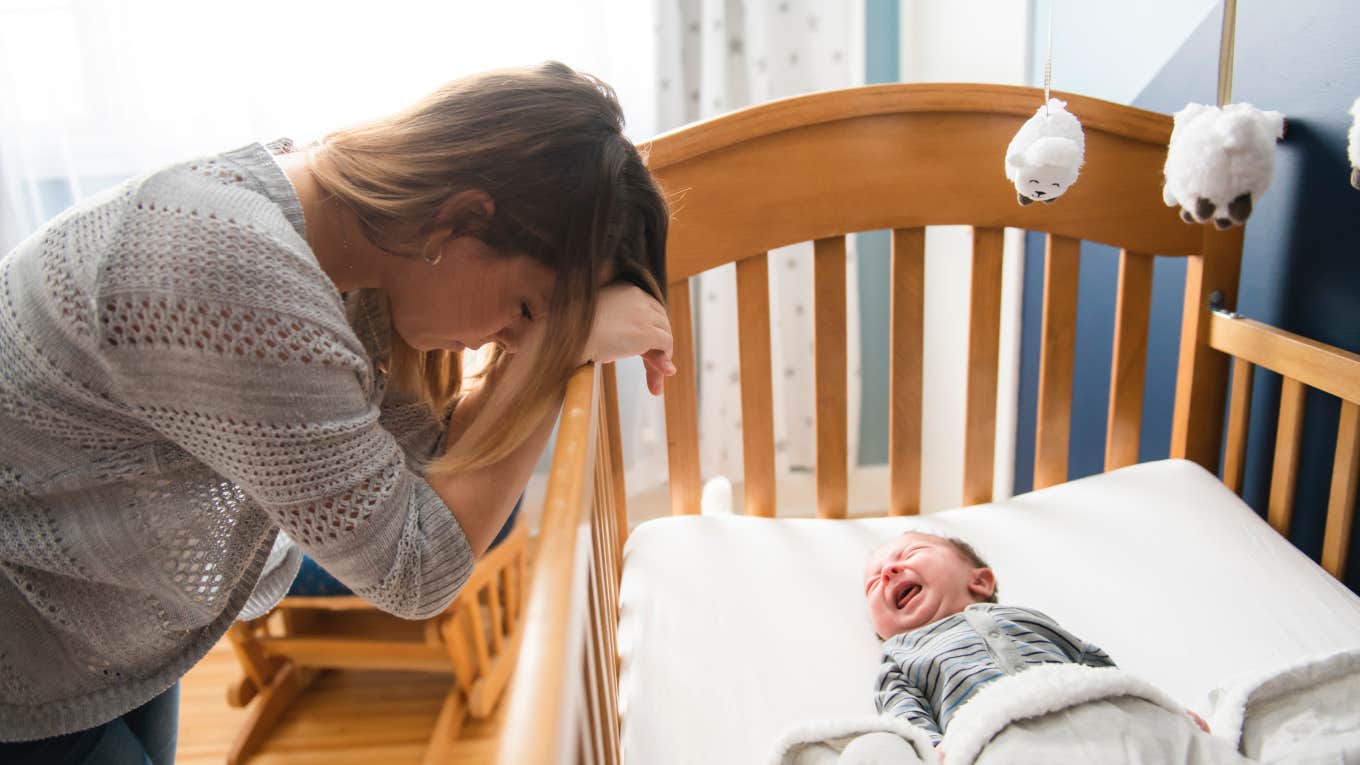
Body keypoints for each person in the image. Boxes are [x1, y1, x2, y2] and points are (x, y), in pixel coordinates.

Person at [0, 61, 672, 763]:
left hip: (113, 619)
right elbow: (415, 570)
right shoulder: (239, 273)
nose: (510, 339)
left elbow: (429, 458)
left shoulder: (345, 247)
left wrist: (554, 334)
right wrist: (557, 352)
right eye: (527, 308)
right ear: (466, 216)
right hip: (23, 635)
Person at [861, 532, 1223, 763]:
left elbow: (1095, 666)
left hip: (1094, 711)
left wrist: (1160, 707)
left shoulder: (1024, 617)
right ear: (883, 630)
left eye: (910, 553)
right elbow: (903, 718)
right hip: (996, 734)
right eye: (874, 583)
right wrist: (934, 750)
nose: (889, 572)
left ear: (980, 580)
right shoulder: (901, 654)